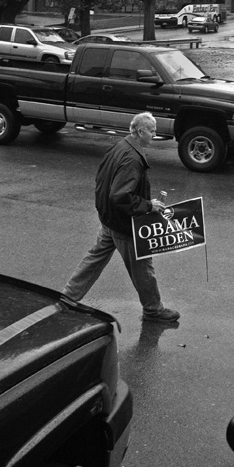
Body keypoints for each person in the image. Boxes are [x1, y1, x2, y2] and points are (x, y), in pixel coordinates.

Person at [62, 112, 181, 323]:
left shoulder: (120, 147)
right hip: (124, 225)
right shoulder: (133, 159)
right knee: (143, 269)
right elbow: (120, 195)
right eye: (152, 131)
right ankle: (153, 310)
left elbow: (102, 179)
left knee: (94, 259)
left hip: (109, 220)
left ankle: (68, 298)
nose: (155, 134)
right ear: (141, 131)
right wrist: (148, 205)